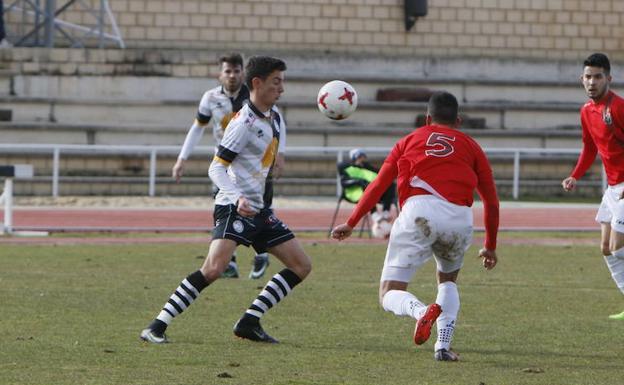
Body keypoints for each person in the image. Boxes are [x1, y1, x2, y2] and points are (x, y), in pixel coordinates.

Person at [141, 56, 312, 344]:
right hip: (234, 208)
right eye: (276, 82)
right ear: (257, 83)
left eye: (282, 81)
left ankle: (249, 321)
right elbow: (216, 167)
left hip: (259, 209)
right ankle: (156, 327)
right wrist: (236, 197)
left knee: (301, 266)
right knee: (214, 269)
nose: (282, 88)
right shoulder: (242, 123)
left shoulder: (275, 115)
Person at [332, 91, 500, 361]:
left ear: (427, 118)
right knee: (447, 281)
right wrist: (490, 246)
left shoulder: (409, 140)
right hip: (459, 216)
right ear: (458, 120)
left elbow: (378, 184)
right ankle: (443, 346)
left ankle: (421, 312)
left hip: (419, 212)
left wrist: (352, 222)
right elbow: (491, 202)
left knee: (389, 292)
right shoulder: (472, 146)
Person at [172, 53, 278, 279]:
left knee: (261, 206)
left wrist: (281, 152)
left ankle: (261, 253)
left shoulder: (254, 97)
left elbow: (276, 119)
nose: (232, 75)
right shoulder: (210, 98)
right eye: (227, 71)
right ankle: (229, 260)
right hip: (223, 163)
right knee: (224, 205)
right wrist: (182, 158)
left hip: (253, 165)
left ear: (243, 73)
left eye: (236, 71)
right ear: (219, 74)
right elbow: (197, 127)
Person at [562, 53, 624, 320]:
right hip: (612, 188)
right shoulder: (586, 111)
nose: (592, 82)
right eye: (588, 76)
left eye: (598, 76)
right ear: (581, 79)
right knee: (606, 249)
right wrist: (575, 175)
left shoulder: (619, 107)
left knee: (618, 247)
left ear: (608, 78)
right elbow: (590, 147)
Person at [337, 148, 396, 221]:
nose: (362, 159)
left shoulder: (367, 167)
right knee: (367, 185)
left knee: (390, 184)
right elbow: (344, 183)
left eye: (363, 157)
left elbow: (381, 173)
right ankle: (374, 214)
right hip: (355, 193)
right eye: (360, 157)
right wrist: (359, 181)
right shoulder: (348, 169)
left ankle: (385, 212)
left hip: (373, 193)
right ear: (355, 158)